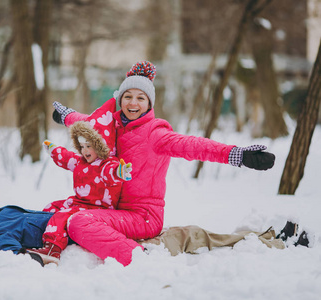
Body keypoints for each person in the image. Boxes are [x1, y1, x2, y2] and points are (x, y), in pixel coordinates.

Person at [51, 60, 277, 266]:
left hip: (143, 217)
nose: (133, 103)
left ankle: (141, 258)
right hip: (117, 212)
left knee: (79, 222)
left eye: (141, 98)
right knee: (63, 210)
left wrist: (236, 154)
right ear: (120, 100)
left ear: (149, 103)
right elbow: (88, 122)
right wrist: (66, 116)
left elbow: (193, 146)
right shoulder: (113, 127)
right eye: (128, 96)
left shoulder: (155, 133)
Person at [0, 199, 310, 267]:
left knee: (183, 235)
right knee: (180, 238)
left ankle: (264, 239)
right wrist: (36, 257)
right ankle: (270, 242)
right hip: (91, 238)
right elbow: (8, 255)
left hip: (90, 227)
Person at [28, 98, 133, 264]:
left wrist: (120, 172)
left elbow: (110, 174)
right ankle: (42, 236)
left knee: (62, 215)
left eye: (88, 146)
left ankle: (52, 249)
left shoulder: (107, 164)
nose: (84, 151)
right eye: (81, 146)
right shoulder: (81, 161)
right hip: (79, 202)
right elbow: (67, 158)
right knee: (51, 207)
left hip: (98, 210)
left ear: (100, 145)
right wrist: (55, 150)